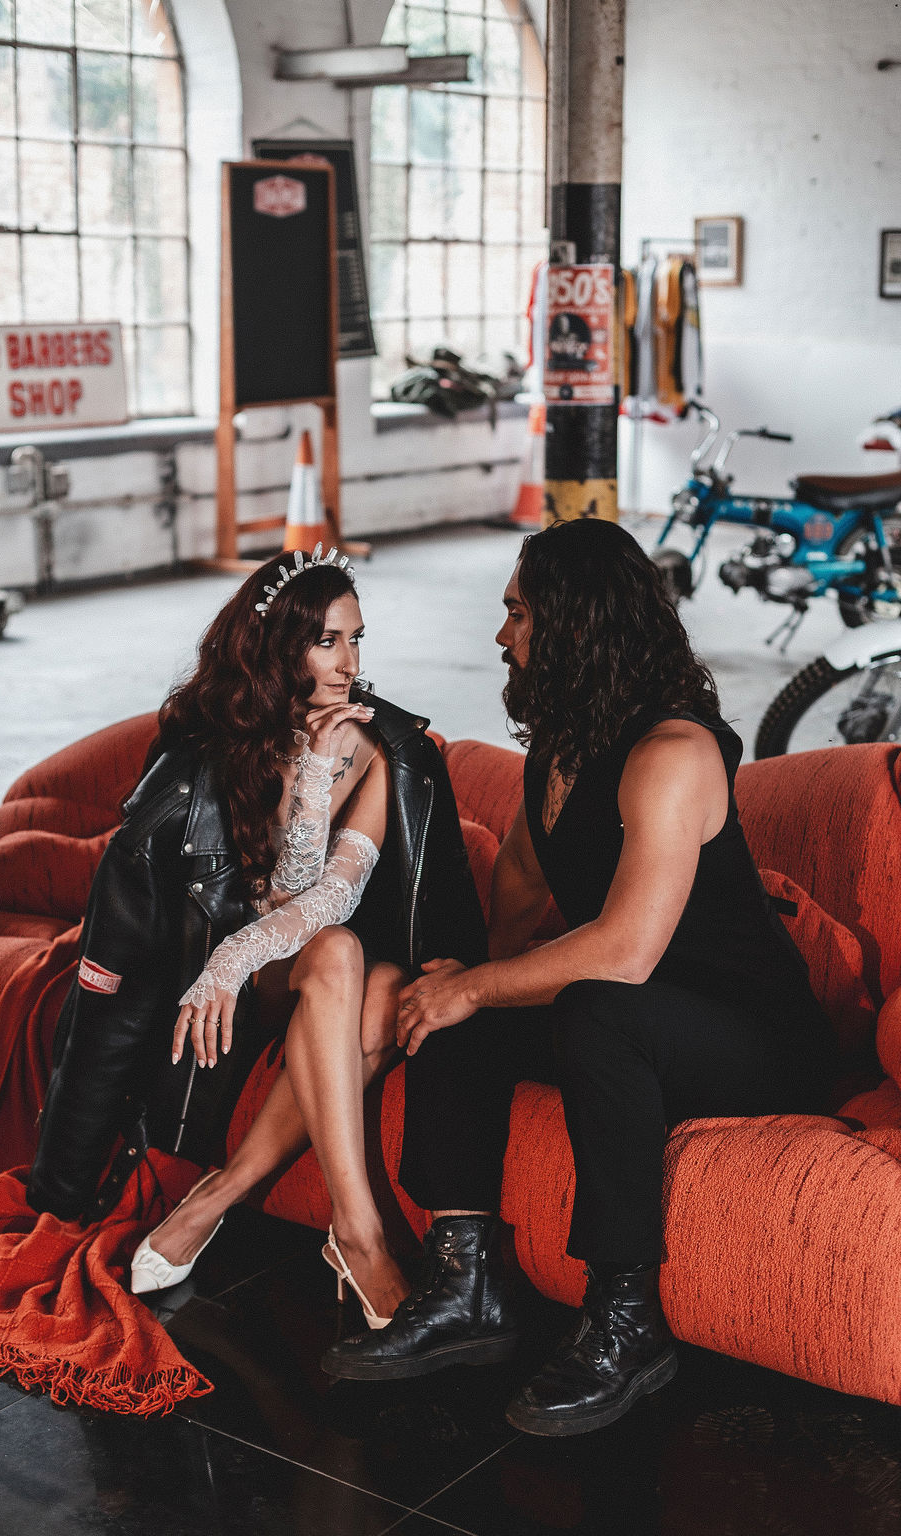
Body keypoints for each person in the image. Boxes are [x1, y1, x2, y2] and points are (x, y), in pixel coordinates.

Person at [322, 518, 835, 1437]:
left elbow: (626, 950)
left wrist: (479, 987)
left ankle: (628, 1322)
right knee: (458, 993)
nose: (501, 635)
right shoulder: (562, 746)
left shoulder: (674, 753)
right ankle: (468, 1279)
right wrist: (459, 986)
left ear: (575, 624)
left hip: (755, 1039)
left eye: (517, 613)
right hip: (639, 1022)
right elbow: (520, 884)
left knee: (590, 1005)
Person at [27, 546, 486, 1329]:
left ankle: (257, 1204)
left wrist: (319, 776)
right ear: (282, 647)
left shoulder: (381, 748)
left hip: (309, 961)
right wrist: (223, 961)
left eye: (358, 638)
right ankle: (360, 1239)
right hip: (246, 980)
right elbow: (185, 908)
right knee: (343, 964)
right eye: (329, 641)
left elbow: (327, 898)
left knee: (366, 979)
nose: (351, 662)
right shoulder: (214, 737)